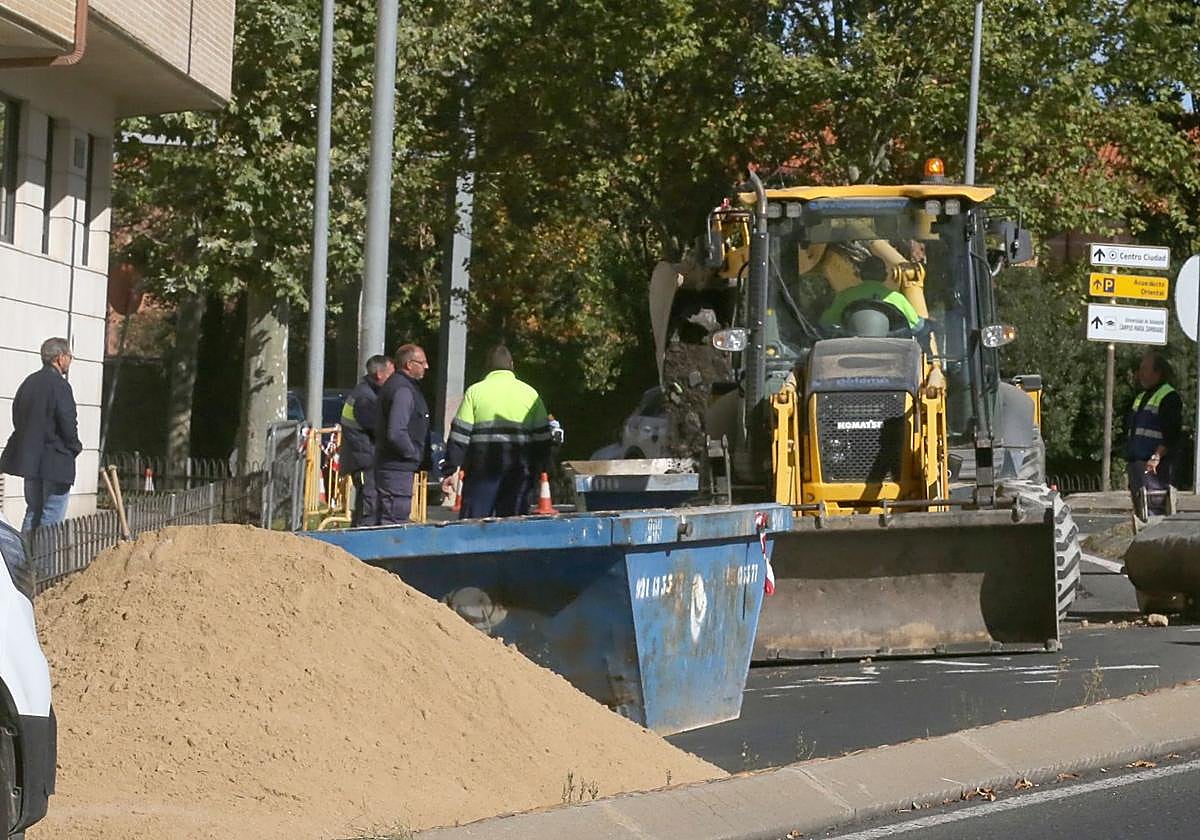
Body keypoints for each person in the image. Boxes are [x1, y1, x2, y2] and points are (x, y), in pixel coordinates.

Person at [440, 344, 553, 518]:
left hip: (481, 471)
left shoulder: (475, 392)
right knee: (512, 524)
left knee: (474, 524)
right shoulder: (530, 394)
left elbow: (459, 435)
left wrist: (450, 469)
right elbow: (543, 438)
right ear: (512, 365)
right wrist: (542, 468)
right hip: (518, 472)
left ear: (487, 366)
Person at [0, 337, 83, 532]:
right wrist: (74, 447)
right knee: (52, 516)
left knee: (33, 511)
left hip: (31, 461)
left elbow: (17, 416)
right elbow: (68, 422)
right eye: (70, 356)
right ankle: (43, 562)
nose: (70, 360)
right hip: (56, 459)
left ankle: (24, 560)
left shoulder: (29, 382)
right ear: (60, 358)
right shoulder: (60, 385)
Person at [374, 344, 431, 525]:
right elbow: (397, 431)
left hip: (393, 466)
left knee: (390, 516)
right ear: (409, 364)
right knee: (394, 520)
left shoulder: (399, 386)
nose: (426, 366)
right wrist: (412, 453)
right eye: (422, 363)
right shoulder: (403, 390)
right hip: (396, 468)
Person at [1124, 350, 1183, 517]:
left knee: (1155, 508)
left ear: (1157, 373)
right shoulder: (1142, 396)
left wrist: (1156, 456)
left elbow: (1172, 434)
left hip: (1156, 467)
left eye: (1144, 369)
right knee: (1142, 511)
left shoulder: (1168, 397)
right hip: (1138, 464)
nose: (1140, 373)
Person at [340, 354, 394, 526]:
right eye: (391, 374)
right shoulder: (366, 398)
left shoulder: (365, 393)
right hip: (364, 461)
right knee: (368, 505)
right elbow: (378, 429)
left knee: (367, 501)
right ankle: (362, 539)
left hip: (363, 458)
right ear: (379, 374)